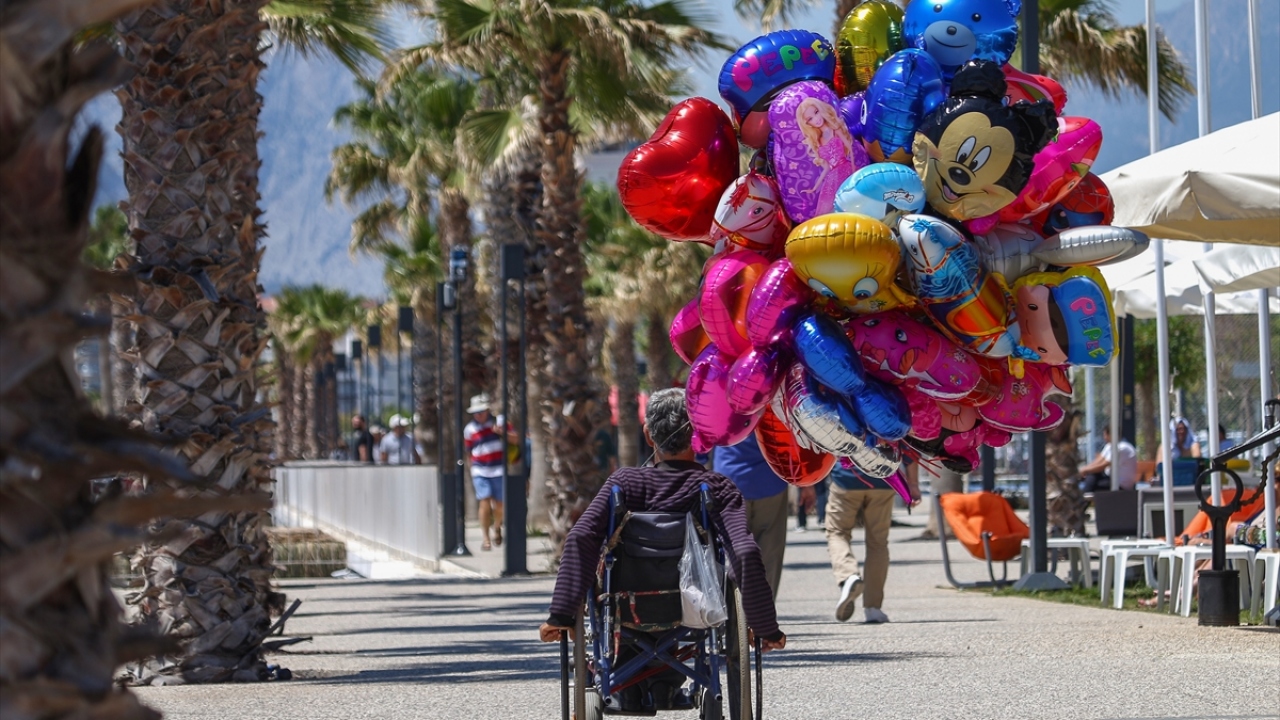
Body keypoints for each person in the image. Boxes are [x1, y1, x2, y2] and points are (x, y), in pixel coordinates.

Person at [539, 388, 785, 709]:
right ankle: (664, 685)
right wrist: (765, 626)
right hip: (696, 606)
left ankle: (630, 687)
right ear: (698, 434)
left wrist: (561, 614)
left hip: (627, 605)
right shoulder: (718, 488)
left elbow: (581, 538)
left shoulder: (625, 483)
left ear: (648, 435)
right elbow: (745, 553)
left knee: (616, 587)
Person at [825, 461, 921, 623]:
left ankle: (848, 576)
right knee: (878, 543)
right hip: (884, 479)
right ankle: (873, 608)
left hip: (846, 478)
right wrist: (912, 485)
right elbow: (909, 451)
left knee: (838, 532)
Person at [712, 435, 798, 599]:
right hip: (770, 479)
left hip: (728, 476)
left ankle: (735, 610)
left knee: (734, 551)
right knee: (770, 551)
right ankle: (763, 612)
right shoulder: (771, 406)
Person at [463, 394, 505, 551]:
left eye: (481, 411)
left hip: (499, 468)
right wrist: (472, 468)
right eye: (476, 412)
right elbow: (468, 451)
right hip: (480, 469)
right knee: (485, 501)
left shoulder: (498, 422)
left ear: (487, 410)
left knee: (500, 504)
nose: (479, 414)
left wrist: (501, 432)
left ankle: (497, 526)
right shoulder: (469, 429)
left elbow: (516, 440)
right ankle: (485, 538)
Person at [1079, 424, 1138, 492]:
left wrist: (1084, 470)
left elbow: (1102, 466)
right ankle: (1085, 495)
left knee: (1093, 476)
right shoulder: (1109, 446)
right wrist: (1084, 470)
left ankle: (1084, 497)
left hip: (1120, 485)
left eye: (1105, 435)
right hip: (1110, 479)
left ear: (1112, 434)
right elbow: (1097, 462)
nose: (1104, 437)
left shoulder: (1123, 447)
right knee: (1091, 475)